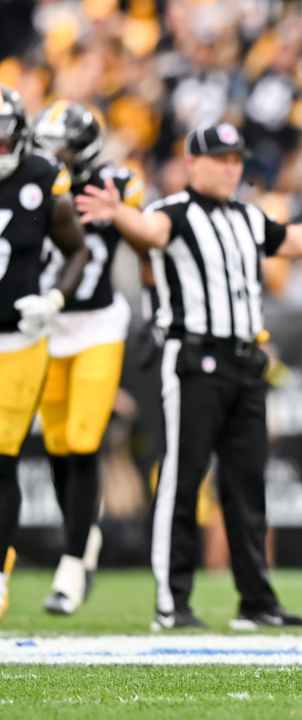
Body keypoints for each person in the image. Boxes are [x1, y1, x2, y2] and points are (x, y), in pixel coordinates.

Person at [75, 122, 302, 630]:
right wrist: (119, 213)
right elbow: (150, 231)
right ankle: (172, 602)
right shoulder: (173, 212)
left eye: (236, 159)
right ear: (193, 163)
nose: (231, 169)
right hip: (194, 361)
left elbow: (298, 240)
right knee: (183, 481)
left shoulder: (247, 217)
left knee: (247, 485)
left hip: (246, 363)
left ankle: (256, 602)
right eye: (220, 159)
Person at [31, 101, 146, 616]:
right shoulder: (31, 183)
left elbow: (148, 243)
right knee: (58, 446)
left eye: (64, 149)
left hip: (98, 323)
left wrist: (121, 214)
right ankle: (83, 536)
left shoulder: (117, 184)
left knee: (83, 441)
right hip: (45, 326)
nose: (55, 157)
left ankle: (73, 563)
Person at [0, 87, 89, 621]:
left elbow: (77, 249)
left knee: (1, 457)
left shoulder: (40, 178)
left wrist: (54, 298)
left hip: (18, 341)